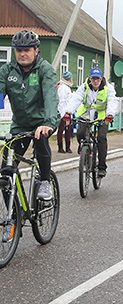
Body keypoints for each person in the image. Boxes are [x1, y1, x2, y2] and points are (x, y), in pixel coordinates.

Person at [0, 29, 60, 200]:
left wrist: (48, 123)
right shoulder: (7, 71)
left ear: (36, 50)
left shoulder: (45, 69)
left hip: (42, 122)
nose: (22, 54)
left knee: (40, 139)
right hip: (19, 125)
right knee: (5, 172)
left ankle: (45, 181)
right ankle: (14, 218)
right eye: (19, 50)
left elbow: (50, 97)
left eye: (27, 50)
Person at [63, 67, 118, 177]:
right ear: (90, 78)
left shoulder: (108, 88)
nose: (95, 81)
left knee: (101, 138)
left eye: (98, 79)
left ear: (101, 78)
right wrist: (68, 112)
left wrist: (110, 114)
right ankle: (84, 149)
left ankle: (102, 167)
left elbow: (112, 100)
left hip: (102, 116)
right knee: (80, 133)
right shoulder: (84, 86)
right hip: (86, 115)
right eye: (93, 79)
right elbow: (76, 98)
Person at [57, 71, 74, 153]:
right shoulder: (63, 88)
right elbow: (62, 102)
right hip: (63, 113)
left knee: (68, 130)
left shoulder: (66, 87)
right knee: (61, 130)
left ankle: (68, 147)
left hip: (67, 112)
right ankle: (60, 147)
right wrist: (64, 114)